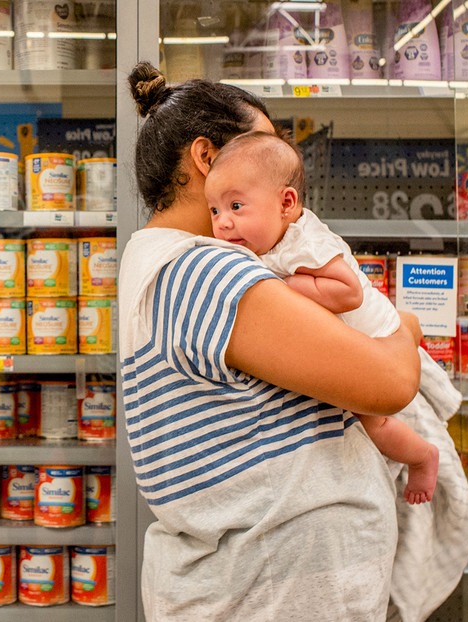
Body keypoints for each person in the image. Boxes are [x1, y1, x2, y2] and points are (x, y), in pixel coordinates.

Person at [119, 62, 425, 619]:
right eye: (259, 145)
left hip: (262, 582)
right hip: (276, 589)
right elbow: (393, 382)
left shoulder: (160, 263)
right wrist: (406, 328)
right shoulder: (203, 271)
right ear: (206, 158)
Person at [205, 130, 449, 504]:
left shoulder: (304, 243)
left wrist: (284, 286)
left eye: (236, 207)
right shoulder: (267, 243)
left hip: (378, 339)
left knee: (376, 423)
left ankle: (422, 457)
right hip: (356, 346)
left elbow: (347, 291)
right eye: (215, 210)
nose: (222, 222)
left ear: (286, 203)